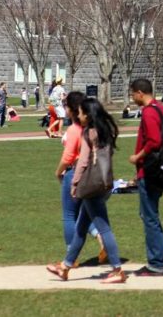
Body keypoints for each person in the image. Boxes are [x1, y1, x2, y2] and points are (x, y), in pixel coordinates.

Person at [47, 97, 126, 284]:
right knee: (81, 227)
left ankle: (117, 270)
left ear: (88, 115)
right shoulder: (106, 131)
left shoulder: (89, 133)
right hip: (104, 183)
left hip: (90, 185)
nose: (79, 116)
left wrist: (74, 184)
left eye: (81, 113)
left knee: (104, 228)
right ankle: (65, 266)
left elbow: (82, 162)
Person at [128, 78, 163, 277]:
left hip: (150, 171)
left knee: (149, 216)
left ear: (140, 93)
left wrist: (137, 157)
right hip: (161, 169)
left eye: (133, 94)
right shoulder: (161, 109)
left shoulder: (149, 112)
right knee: (148, 215)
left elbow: (154, 142)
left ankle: (156, 263)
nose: (132, 98)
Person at [53, 91, 106, 267]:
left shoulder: (75, 129)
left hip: (74, 172)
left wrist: (58, 172)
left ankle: (71, 255)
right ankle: (101, 238)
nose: (64, 109)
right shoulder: (90, 126)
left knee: (69, 215)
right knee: (84, 214)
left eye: (66, 106)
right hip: (91, 174)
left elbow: (68, 156)